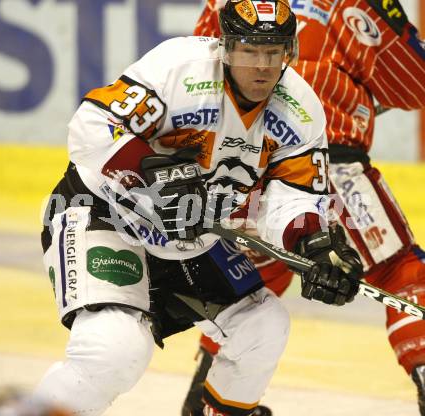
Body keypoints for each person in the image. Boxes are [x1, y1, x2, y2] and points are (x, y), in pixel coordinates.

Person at [33, 1, 363, 415]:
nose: (262, 65)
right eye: (249, 49)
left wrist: (314, 244)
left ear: (289, 52)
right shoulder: (178, 67)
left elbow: (293, 195)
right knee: (113, 349)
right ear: (226, 47)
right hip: (104, 212)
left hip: (190, 236)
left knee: (263, 325)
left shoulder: (300, 109)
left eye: (274, 51)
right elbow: (91, 127)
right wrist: (151, 176)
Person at [182, 0, 425, 415]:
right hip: (326, 165)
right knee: (399, 272)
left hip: (240, 168)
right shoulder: (354, 3)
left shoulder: (228, 4)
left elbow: (193, 73)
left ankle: (208, 399)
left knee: (250, 285)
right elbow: (415, 82)